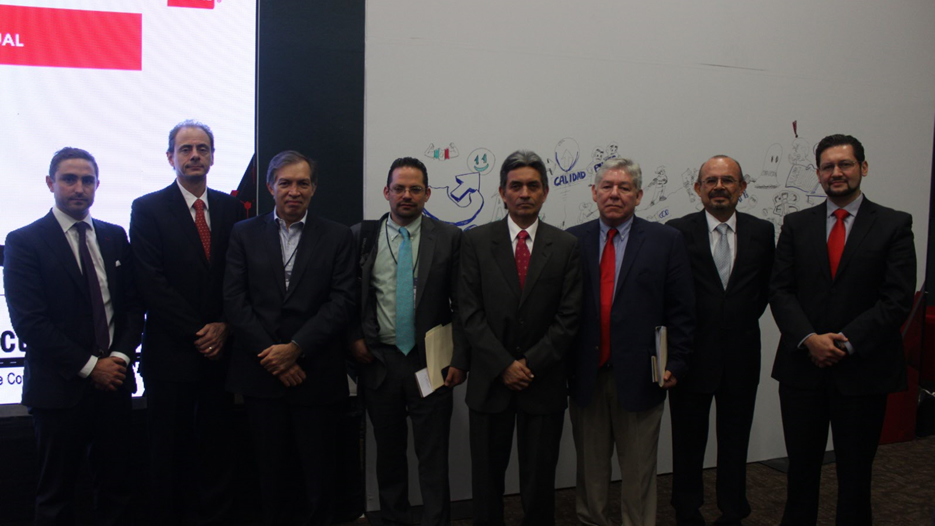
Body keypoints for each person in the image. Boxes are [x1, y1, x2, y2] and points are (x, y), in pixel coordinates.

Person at [770, 134, 915, 526]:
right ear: (818, 173)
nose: (836, 172)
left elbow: (897, 299)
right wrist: (810, 340)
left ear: (862, 168)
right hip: (803, 369)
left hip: (863, 370)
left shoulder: (894, 224)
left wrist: (845, 343)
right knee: (801, 470)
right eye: (828, 166)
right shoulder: (796, 224)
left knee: (855, 472)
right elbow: (780, 290)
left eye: (845, 164)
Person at [4, 147, 143, 525]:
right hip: (57, 391)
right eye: (69, 179)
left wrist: (119, 359)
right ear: (50, 183)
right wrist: (91, 367)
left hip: (114, 387)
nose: (79, 188)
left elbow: (133, 308)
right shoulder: (24, 241)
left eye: (87, 180)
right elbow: (30, 323)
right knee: (56, 497)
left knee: (117, 491)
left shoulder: (114, 237)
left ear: (97, 185)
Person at [224, 150, 356, 526]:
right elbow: (234, 300)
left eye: (302, 183)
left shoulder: (337, 236)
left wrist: (296, 349)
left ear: (314, 188)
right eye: (285, 183)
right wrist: (274, 355)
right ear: (270, 187)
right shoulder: (244, 233)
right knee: (269, 472)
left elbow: (342, 301)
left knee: (318, 473)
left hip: (315, 373)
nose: (294, 191)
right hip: (261, 375)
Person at [566, 157, 694, 526]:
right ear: (594, 193)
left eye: (624, 188)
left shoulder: (665, 241)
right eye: (607, 186)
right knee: (590, 470)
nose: (614, 194)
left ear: (638, 196)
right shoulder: (572, 240)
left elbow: (682, 309)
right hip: (587, 375)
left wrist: (677, 362)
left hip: (642, 375)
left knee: (638, 472)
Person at [459, 150, 582, 526]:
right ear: (502, 192)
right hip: (490, 381)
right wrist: (503, 365)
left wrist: (528, 364)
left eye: (532, 186)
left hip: (542, 381)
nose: (524, 193)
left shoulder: (566, 245)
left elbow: (569, 317)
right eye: (516, 186)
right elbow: (468, 312)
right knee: (486, 481)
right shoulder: (475, 242)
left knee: (539, 482)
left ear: (545, 192)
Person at [130, 120, 244, 525]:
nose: (195, 156)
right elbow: (150, 281)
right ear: (170, 157)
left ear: (212, 157)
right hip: (171, 356)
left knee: (217, 451)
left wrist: (225, 325)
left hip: (221, 356)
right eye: (185, 149)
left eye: (202, 149)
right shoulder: (147, 208)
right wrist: (201, 332)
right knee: (168, 452)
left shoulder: (232, 209)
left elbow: (240, 276)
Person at [349, 157, 467, 525]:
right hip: (380, 362)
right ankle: (392, 519)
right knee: (388, 453)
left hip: (430, 361)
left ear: (427, 194)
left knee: (433, 454)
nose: (406, 195)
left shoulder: (449, 237)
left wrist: (460, 359)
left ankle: (436, 520)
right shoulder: (361, 236)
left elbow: (463, 303)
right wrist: (354, 338)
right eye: (399, 188)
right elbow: (347, 296)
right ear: (386, 192)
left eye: (415, 189)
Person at [667, 155, 775, 526]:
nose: (719, 187)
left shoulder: (762, 231)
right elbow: (671, 294)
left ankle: (733, 509)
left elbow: (764, 290)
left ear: (742, 187)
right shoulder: (676, 231)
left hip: (742, 355)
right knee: (687, 440)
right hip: (691, 356)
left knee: (735, 440)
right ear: (698, 188)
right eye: (710, 180)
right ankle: (686, 509)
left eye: (728, 180)